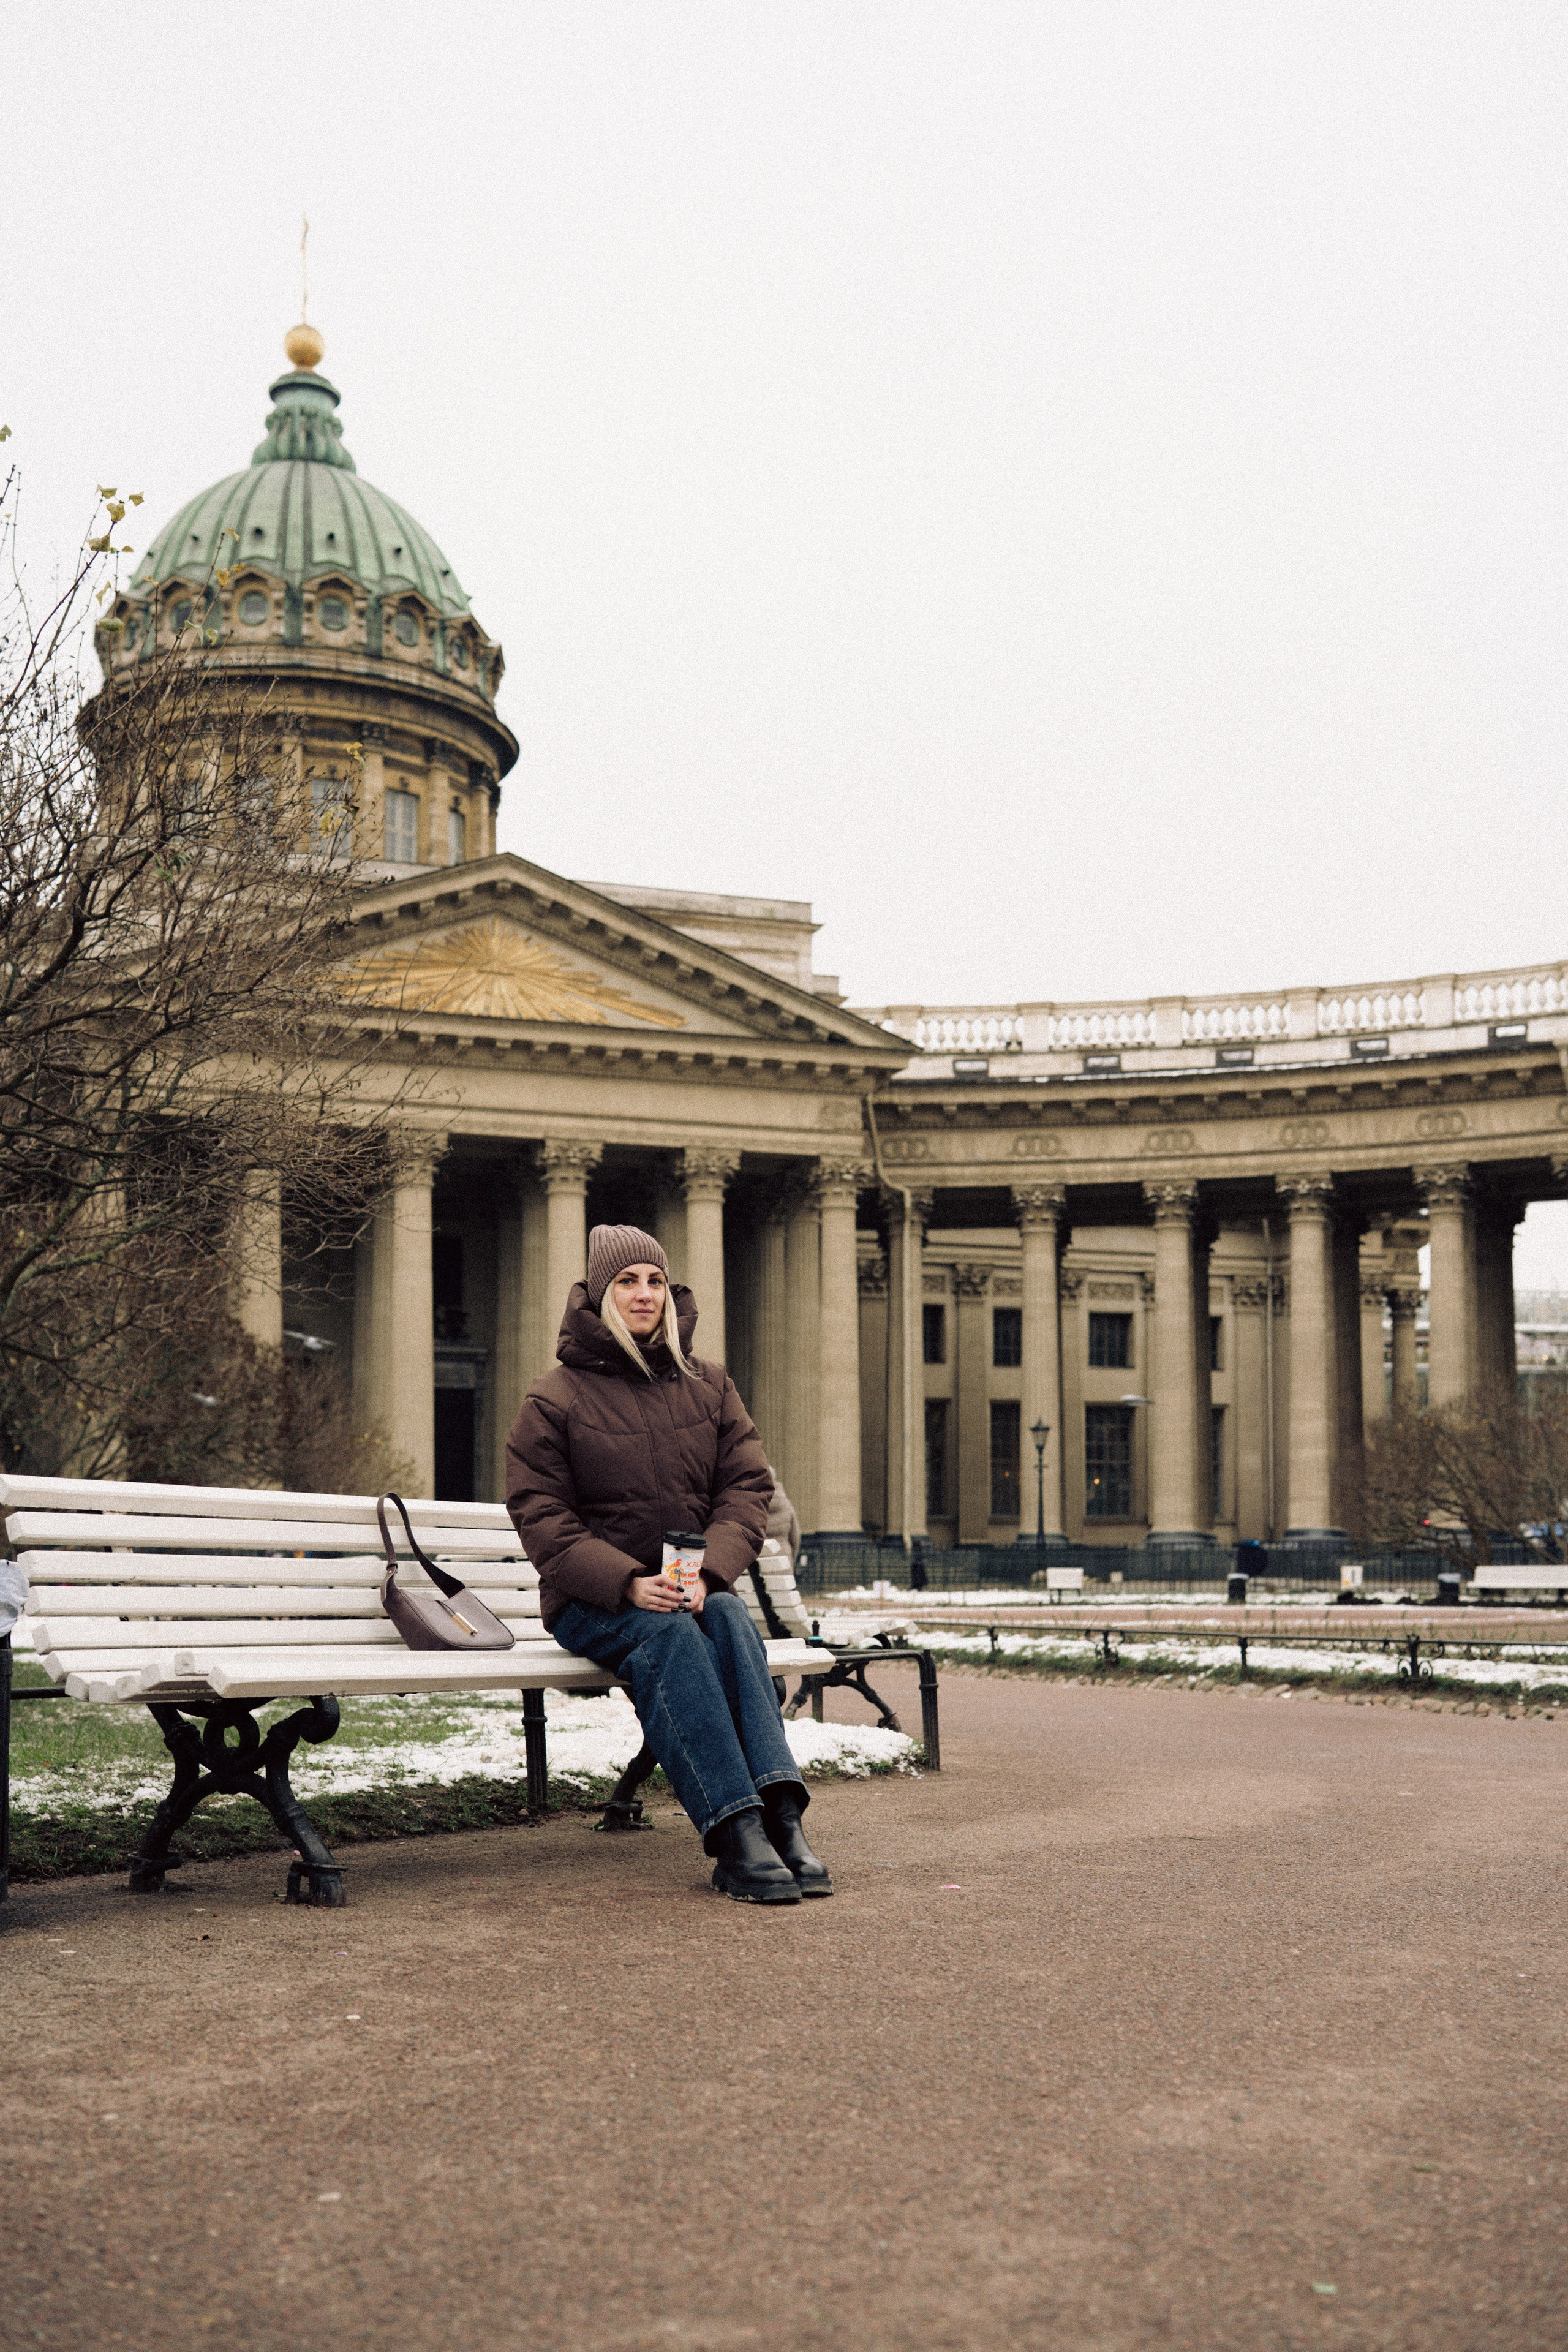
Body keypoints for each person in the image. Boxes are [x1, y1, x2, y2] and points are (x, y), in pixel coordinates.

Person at [504, 1223, 832, 1904]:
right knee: (671, 1635)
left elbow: (746, 1488)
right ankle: (735, 1830)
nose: (644, 1293)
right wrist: (626, 1581)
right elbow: (542, 1515)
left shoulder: (708, 1386)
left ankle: (783, 1815)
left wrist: (707, 1574)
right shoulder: (554, 1398)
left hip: (688, 1587)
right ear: (599, 1296)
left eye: (654, 1280)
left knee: (728, 1614)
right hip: (594, 1603)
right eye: (626, 1281)